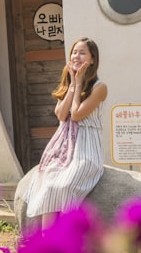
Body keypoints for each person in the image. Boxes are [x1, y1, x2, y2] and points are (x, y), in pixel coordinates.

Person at [22, 37, 108, 228]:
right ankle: (48, 242)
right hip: (63, 143)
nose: (76, 56)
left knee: (65, 185)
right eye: (74, 52)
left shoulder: (99, 87)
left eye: (82, 52)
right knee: (49, 182)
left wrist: (78, 84)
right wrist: (71, 86)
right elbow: (62, 115)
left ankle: (67, 236)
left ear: (92, 59)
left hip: (86, 146)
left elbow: (76, 115)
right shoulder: (67, 84)